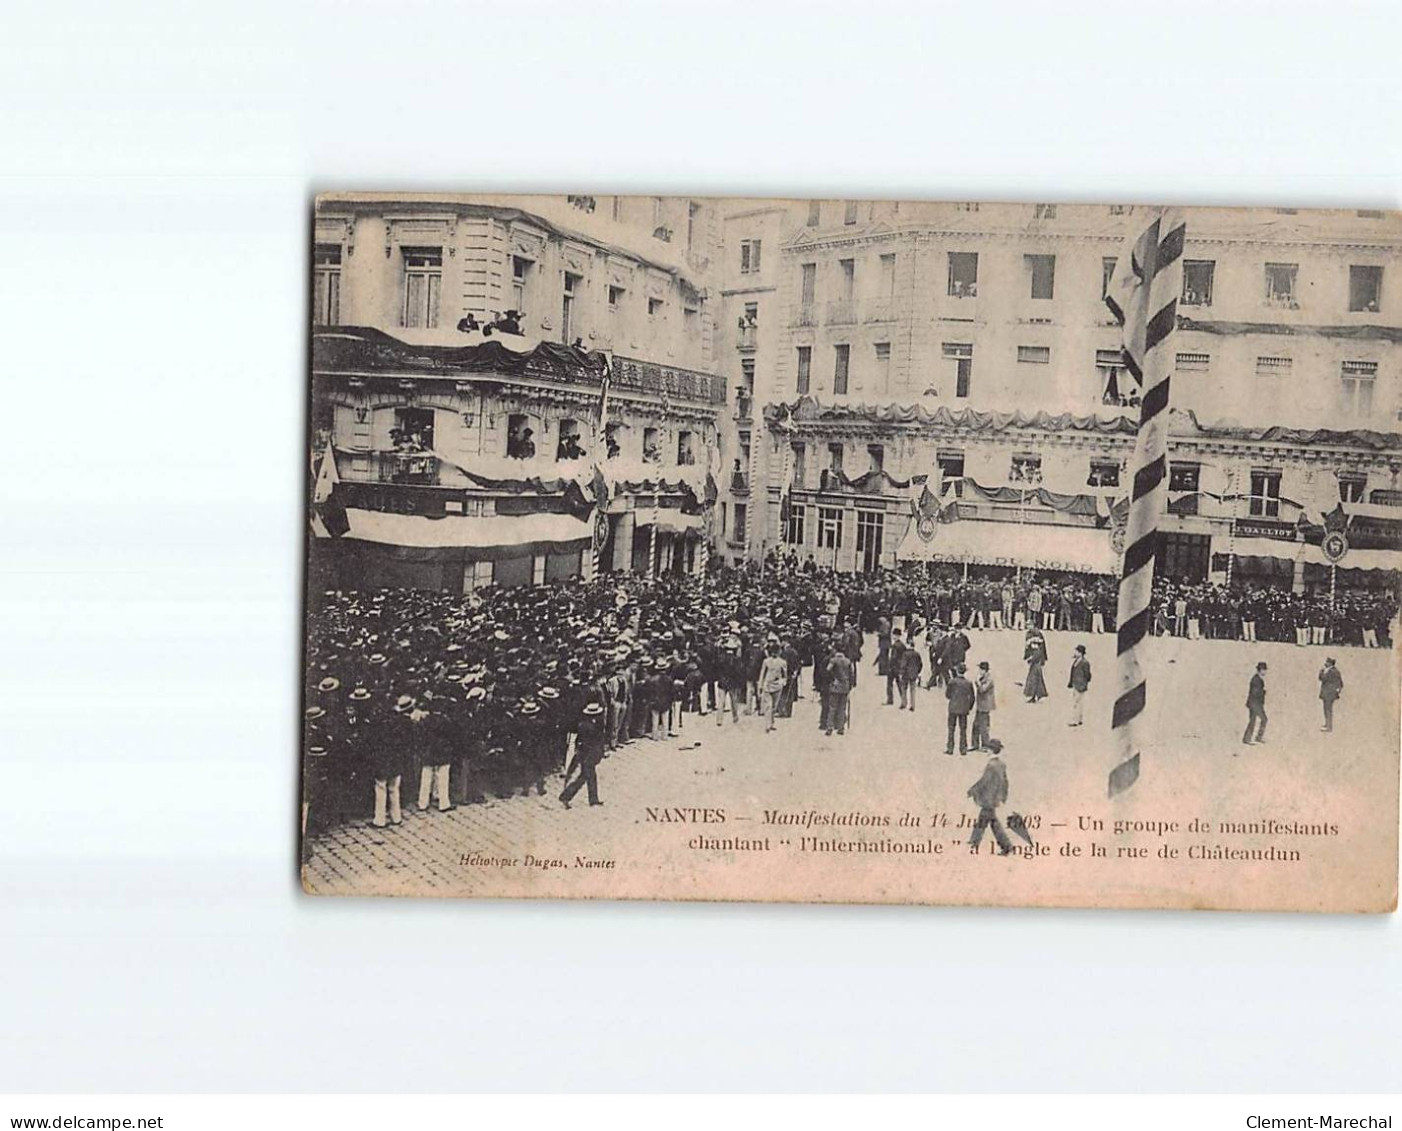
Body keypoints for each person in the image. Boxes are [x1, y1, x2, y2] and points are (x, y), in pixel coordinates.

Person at [966, 739, 1014, 855]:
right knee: (991, 821)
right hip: (995, 798)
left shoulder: (991, 765)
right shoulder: (1001, 764)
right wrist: (1003, 796)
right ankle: (975, 842)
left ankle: (1005, 845)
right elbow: (1005, 782)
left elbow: (984, 781)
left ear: (991, 750)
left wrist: (972, 790)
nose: (986, 751)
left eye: (988, 749)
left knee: (986, 820)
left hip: (988, 798)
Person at [560, 700, 606, 808]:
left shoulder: (587, 724)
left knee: (589, 776)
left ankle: (593, 799)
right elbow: (589, 742)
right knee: (585, 777)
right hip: (587, 754)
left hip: (586, 753)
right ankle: (566, 796)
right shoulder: (588, 726)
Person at [824, 644, 855, 736]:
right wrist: (850, 685)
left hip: (835, 686)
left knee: (832, 707)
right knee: (842, 707)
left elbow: (828, 670)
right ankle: (841, 727)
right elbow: (852, 674)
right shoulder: (847, 661)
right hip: (845, 686)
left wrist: (833, 679)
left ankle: (829, 727)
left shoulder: (833, 660)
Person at [945, 664, 975, 756]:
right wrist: (969, 707)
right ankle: (963, 749)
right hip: (963, 709)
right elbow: (973, 698)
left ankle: (950, 748)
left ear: (957, 671)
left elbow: (947, 695)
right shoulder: (968, 683)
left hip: (953, 708)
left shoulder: (952, 682)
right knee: (963, 729)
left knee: (951, 729)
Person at [758, 644, 788, 733]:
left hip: (776, 685)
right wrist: (761, 684)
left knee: (774, 706)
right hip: (769, 685)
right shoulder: (766, 662)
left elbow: (785, 674)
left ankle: (771, 722)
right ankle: (768, 724)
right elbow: (762, 673)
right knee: (769, 705)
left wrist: (783, 682)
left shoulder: (782, 662)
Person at [1242, 661, 1268, 747]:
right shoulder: (1256, 680)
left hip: (1254, 703)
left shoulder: (1257, 678)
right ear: (1260, 670)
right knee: (1263, 719)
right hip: (1255, 703)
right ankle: (1256, 737)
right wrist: (1263, 693)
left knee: (1253, 720)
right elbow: (1255, 692)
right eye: (1264, 670)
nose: (1265, 672)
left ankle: (1248, 738)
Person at [972, 661, 996, 750]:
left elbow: (982, 689)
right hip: (981, 705)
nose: (979, 671)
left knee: (983, 726)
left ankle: (985, 745)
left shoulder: (989, 679)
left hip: (985, 706)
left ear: (985, 670)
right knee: (976, 725)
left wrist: (977, 682)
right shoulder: (984, 677)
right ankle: (975, 744)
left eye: (981, 669)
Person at [1067, 644, 1092, 727]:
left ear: (1080, 653)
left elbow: (1088, 675)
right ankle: (1079, 719)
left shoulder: (1084, 663)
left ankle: (1075, 720)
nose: (1075, 653)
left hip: (1080, 685)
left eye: (1076, 651)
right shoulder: (1077, 661)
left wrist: (1084, 683)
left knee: (1076, 703)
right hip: (1076, 684)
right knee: (1079, 702)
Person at [896, 640, 923, 711]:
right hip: (914, 674)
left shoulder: (905, 654)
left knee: (904, 688)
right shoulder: (917, 654)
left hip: (906, 674)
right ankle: (912, 705)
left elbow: (903, 664)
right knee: (913, 690)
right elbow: (920, 664)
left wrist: (901, 673)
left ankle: (904, 703)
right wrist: (918, 672)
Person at [1318, 658, 1343, 732]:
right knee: (1326, 709)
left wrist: (1337, 691)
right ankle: (1327, 724)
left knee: (1328, 710)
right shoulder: (1326, 670)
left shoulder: (1334, 672)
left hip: (1330, 693)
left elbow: (1340, 683)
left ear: (1330, 663)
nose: (1325, 663)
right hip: (1326, 693)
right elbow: (1321, 678)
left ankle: (1329, 726)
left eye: (1327, 662)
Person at [1023, 631, 1048, 703]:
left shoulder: (1038, 634)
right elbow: (1027, 647)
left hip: (1037, 660)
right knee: (1034, 678)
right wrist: (1027, 657)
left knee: (1036, 678)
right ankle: (1035, 695)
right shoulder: (1028, 634)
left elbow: (1041, 649)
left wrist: (1042, 659)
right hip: (1033, 659)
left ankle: (1038, 695)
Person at [885, 628, 906, 705]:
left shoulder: (894, 646)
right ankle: (903, 699)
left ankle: (890, 700)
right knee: (900, 684)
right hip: (900, 667)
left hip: (893, 667)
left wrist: (890, 666)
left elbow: (893, 657)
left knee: (889, 684)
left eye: (894, 635)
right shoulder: (903, 645)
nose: (893, 636)